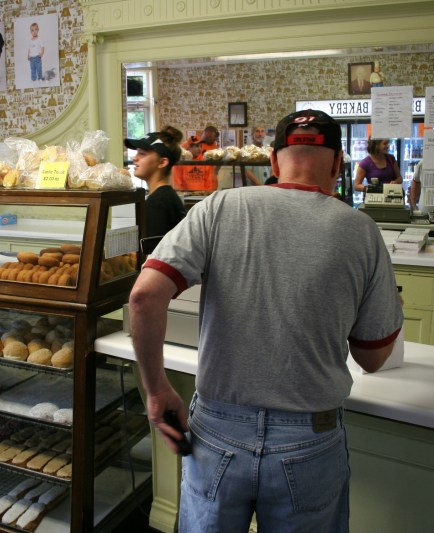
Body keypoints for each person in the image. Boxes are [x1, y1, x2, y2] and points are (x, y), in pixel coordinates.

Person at [128, 109, 402, 532]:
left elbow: (144, 296)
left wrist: (157, 389)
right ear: (338, 164)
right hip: (309, 437)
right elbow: (373, 356)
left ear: (274, 162)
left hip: (216, 430)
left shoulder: (219, 207)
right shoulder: (361, 231)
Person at [124, 126, 187, 238]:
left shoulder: (158, 203)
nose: (135, 158)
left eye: (142, 153)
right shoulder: (165, 196)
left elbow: (154, 252)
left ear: (162, 162)